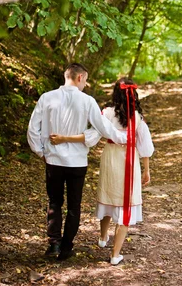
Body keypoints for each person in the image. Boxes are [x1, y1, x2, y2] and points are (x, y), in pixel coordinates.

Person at [27, 63, 128, 261]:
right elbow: (103, 127)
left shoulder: (47, 97)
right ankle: (66, 247)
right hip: (77, 163)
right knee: (74, 206)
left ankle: (54, 243)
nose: (86, 84)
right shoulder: (87, 101)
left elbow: (33, 129)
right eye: (86, 79)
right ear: (80, 77)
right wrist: (124, 139)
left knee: (54, 202)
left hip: (53, 161)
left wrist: (41, 152)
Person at [50, 78, 154, 265]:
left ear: (115, 93)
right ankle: (115, 255)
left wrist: (65, 138)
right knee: (125, 201)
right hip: (129, 159)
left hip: (111, 157)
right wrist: (146, 170)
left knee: (109, 195)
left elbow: (91, 136)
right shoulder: (137, 116)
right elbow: (144, 145)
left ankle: (103, 237)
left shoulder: (106, 113)